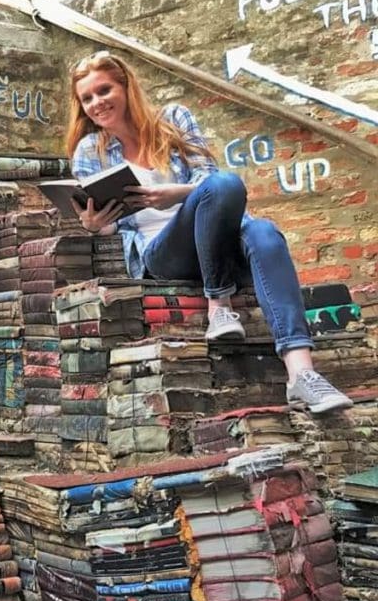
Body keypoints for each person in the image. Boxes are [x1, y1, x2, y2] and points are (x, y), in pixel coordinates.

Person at [65, 50, 352, 414]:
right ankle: (219, 302)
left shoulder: (174, 118)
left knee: (262, 230)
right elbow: (112, 224)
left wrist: (174, 194)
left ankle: (301, 375)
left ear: (126, 86)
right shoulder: (91, 150)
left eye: (103, 90)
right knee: (225, 188)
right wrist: (93, 224)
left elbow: (208, 181)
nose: (96, 103)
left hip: (216, 233)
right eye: (86, 98)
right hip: (164, 251)